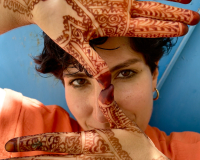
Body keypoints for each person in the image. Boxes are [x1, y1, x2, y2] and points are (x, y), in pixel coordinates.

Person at [0, 0, 200, 159]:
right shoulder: (23, 126)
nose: (102, 115)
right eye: (79, 81)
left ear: (154, 74)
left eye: (125, 74)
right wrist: (24, 7)